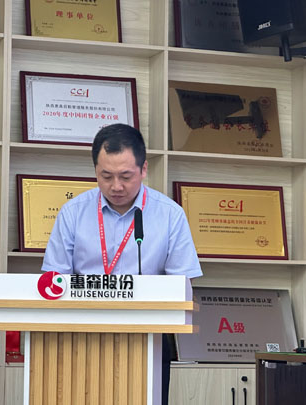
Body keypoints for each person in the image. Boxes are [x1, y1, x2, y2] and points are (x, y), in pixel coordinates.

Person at [42, 123, 202, 404]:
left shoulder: (170, 215)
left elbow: (182, 286)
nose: (116, 186)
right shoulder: (72, 213)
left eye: (126, 176)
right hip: (82, 337)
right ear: (95, 170)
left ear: (144, 169)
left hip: (148, 338)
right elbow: (54, 280)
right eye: (106, 176)